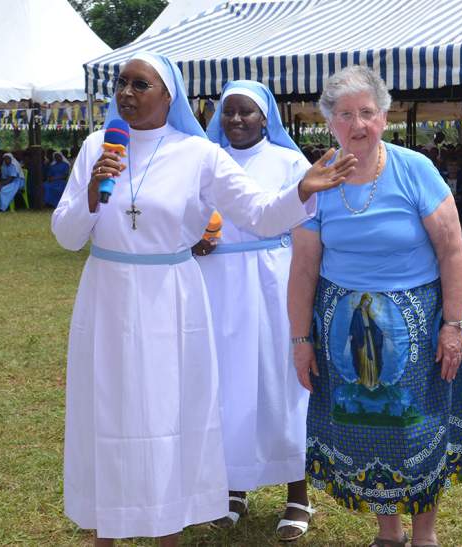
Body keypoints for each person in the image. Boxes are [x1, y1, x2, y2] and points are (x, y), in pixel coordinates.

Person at [52, 52, 355, 546]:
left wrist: (301, 188)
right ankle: (105, 529)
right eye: (122, 83)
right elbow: (66, 236)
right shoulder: (95, 147)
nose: (126, 93)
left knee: (168, 412)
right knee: (107, 408)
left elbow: (258, 213)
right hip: (105, 294)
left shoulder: (199, 155)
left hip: (171, 297)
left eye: (140, 84)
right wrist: (90, 193)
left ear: (168, 95)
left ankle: (168, 528)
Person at [288, 66, 462, 547]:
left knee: (419, 429)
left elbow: (452, 251)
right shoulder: (315, 182)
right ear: (329, 122)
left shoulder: (414, 168)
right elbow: (304, 269)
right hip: (343, 331)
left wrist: (452, 326)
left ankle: (425, 535)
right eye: (346, 114)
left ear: (385, 115)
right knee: (366, 431)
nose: (359, 125)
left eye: (368, 113)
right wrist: (300, 340)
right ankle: (388, 534)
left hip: (417, 326)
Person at [194, 80, 314, 541]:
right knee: (227, 385)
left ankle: (298, 492)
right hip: (219, 282)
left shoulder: (288, 162)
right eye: (228, 112)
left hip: (272, 280)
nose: (237, 120)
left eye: (247, 112)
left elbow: (308, 221)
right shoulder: (206, 160)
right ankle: (233, 487)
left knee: (280, 382)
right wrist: (194, 239)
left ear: (267, 118)